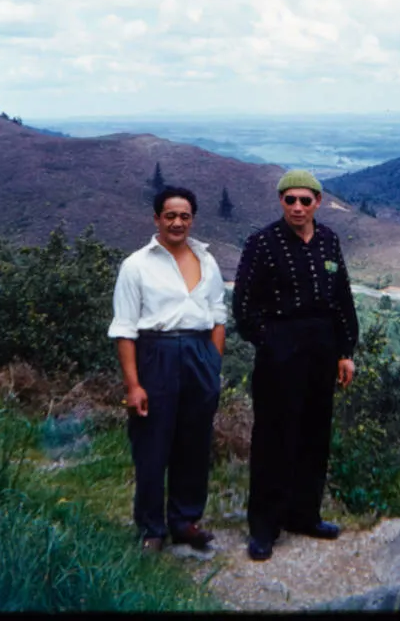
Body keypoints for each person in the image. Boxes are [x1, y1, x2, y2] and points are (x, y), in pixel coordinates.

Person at [233, 169, 359, 561]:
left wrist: (346, 351)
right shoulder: (263, 244)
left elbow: (342, 299)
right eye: (291, 200)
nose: (298, 207)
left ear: (318, 202)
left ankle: (304, 515)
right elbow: (243, 306)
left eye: (306, 200)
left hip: (322, 347)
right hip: (280, 349)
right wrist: (269, 343)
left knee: (314, 434)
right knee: (273, 437)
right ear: (281, 201)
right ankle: (264, 528)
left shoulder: (328, 241)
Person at [108, 185, 226, 553]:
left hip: (198, 353)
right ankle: (151, 528)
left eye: (185, 216)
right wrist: (133, 385)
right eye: (170, 215)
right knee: (152, 445)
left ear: (193, 219)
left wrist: (212, 363)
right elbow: (125, 329)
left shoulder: (207, 261)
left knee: (193, 443)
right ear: (157, 218)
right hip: (155, 354)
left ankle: (185, 521)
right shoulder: (136, 265)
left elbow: (218, 316)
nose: (178, 222)